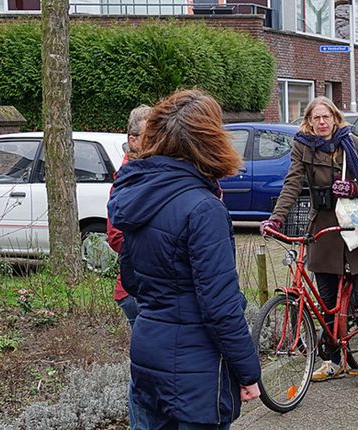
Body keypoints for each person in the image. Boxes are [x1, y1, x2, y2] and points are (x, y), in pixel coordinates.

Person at [107, 90, 260, 429]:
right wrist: (249, 372)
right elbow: (220, 307)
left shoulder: (137, 195)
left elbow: (131, 279)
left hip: (148, 356)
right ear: (209, 141)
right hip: (196, 373)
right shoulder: (204, 209)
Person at [261, 96, 358, 387]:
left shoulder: (351, 143)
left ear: (335, 118)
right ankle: (332, 360)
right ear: (308, 122)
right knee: (325, 299)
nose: (322, 123)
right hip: (323, 224)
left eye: (326, 117)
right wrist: (275, 218)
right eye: (316, 118)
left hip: (356, 225)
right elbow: (292, 183)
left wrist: (352, 187)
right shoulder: (302, 146)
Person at [107, 104, 151, 327]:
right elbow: (115, 237)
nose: (157, 140)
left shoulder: (151, 172)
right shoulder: (128, 180)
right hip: (135, 291)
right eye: (149, 135)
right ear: (133, 140)